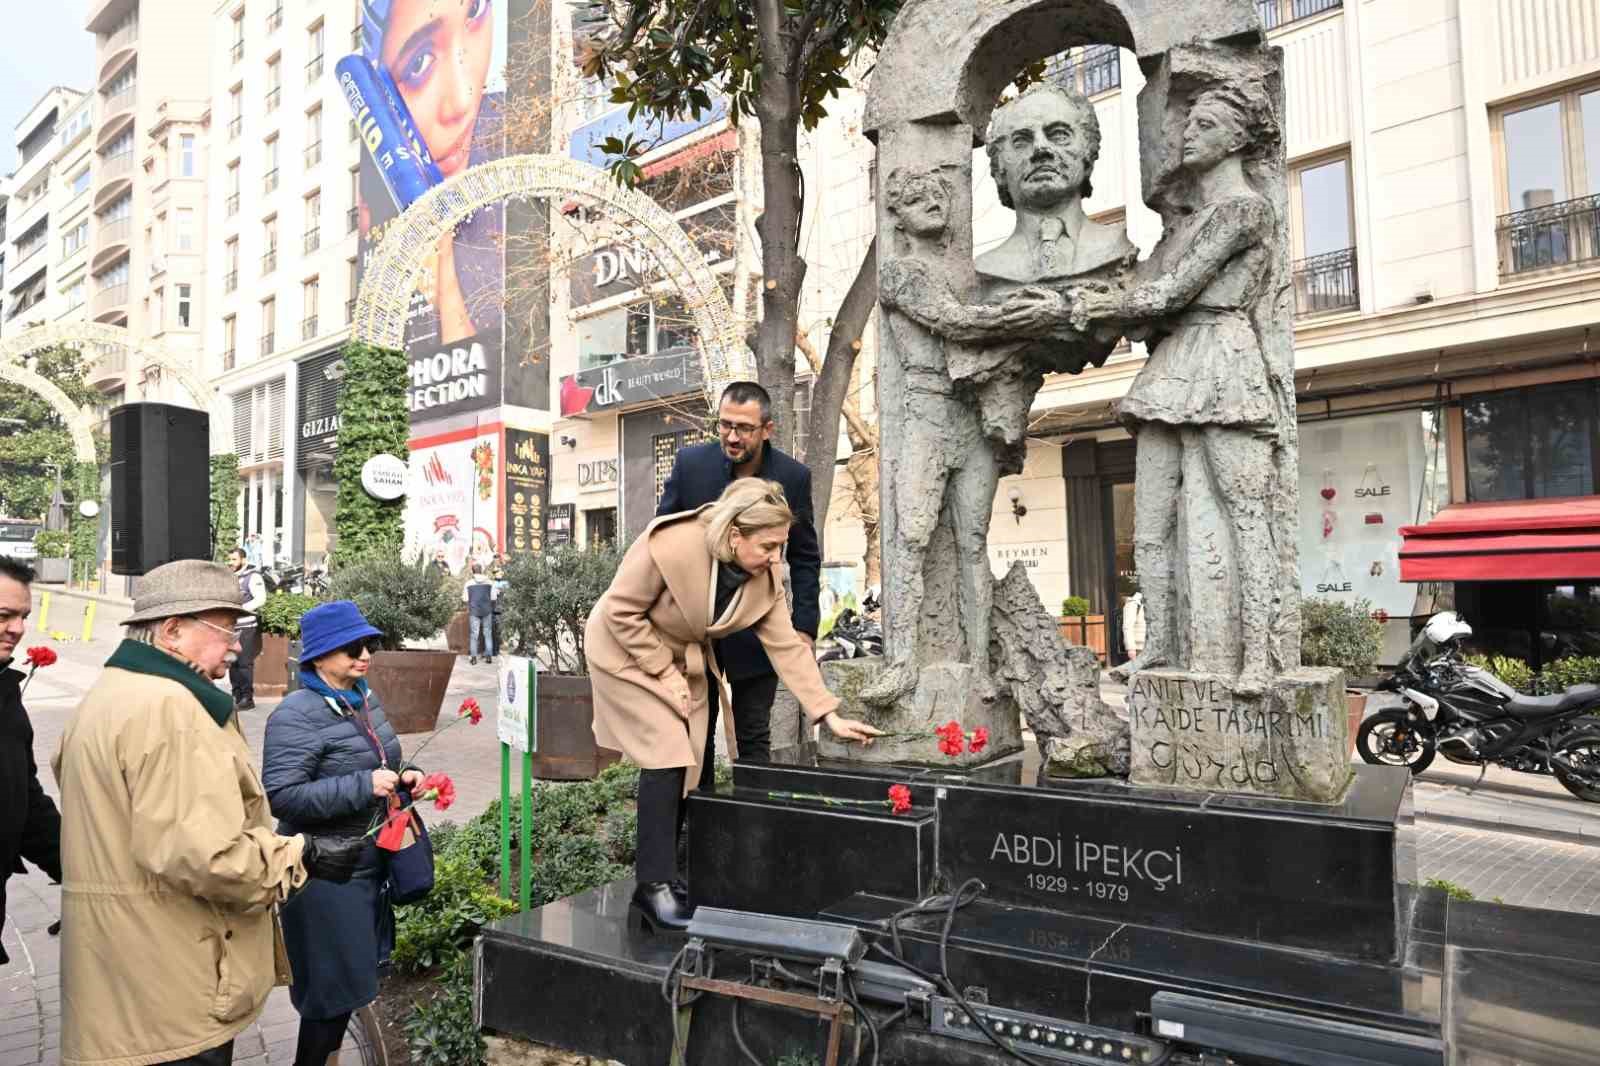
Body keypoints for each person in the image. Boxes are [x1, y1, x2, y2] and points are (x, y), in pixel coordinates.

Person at [52, 560, 364, 1066]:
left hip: (122, 975)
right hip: (171, 986)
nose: (237, 646)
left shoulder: (109, 693)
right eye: (226, 629)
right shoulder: (172, 711)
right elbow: (206, 856)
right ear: (172, 630)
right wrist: (302, 855)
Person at [590, 479, 883, 931]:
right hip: (625, 651)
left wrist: (829, 715)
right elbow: (619, 612)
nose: (775, 558)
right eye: (767, 546)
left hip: (680, 659)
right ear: (734, 536)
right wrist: (664, 672)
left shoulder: (764, 579)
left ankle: (663, 878)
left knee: (689, 760)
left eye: (780, 547)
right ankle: (653, 887)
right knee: (666, 752)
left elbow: (787, 648)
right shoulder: (671, 543)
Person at [1071, 84, 1288, 694]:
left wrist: (1104, 306)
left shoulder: (1244, 210)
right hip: (1172, 363)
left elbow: (1173, 291)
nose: (1189, 133)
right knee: (1148, 523)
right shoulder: (1186, 225)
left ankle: (1258, 655)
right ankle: (1160, 644)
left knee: (1246, 514)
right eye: (1189, 123)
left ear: (1238, 138)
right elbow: (1153, 302)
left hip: (1222, 354)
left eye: (1206, 124)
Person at [263, 601, 424, 1066]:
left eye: (368, 645)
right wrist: (363, 786)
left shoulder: (362, 699)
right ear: (319, 656)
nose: (364, 655)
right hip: (325, 874)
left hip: (368, 866)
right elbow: (284, 797)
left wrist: (406, 777)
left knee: (347, 990)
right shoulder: (295, 714)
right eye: (352, 648)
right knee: (328, 999)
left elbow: (378, 760)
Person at [656, 381, 820, 771]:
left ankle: (753, 810)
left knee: (754, 736)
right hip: (693, 628)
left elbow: (805, 556)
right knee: (694, 736)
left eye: (744, 428)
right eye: (725, 425)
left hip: (756, 625)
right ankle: (695, 810)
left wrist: (804, 627)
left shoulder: (793, 477)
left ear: (767, 429)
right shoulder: (691, 464)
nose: (732, 437)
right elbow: (660, 539)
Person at [360, 0, 504, 347]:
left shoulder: (510, 130)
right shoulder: (378, 206)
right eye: (419, 64)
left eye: (474, 11)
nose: (461, 102)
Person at [0, 557, 61, 970]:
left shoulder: (6, 694)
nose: (18, 629)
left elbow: (25, 801)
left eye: (23, 616)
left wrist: (80, 869)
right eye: (4, 616)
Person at [228, 545, 268, 709]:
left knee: (244, 663)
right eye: (230, 559)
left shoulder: (253, 576)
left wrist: (241, 609)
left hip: (247, 625)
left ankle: (247, 698)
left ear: (243, 560)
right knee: (232, 662)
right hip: (232, 626)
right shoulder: (231, 576)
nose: (231, 562)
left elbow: (260, 599)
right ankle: (236, 695)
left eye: (234, 559)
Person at [462, 563, 498, 664]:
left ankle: (473, 658)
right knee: (488, 633)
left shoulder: (468, 583)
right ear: (481, 570)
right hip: (487, 610)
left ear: (472, 571)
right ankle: (489, 657)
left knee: (474, 634)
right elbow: (494, 597)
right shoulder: (490, 583)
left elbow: (465, 599)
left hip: (474, 611)